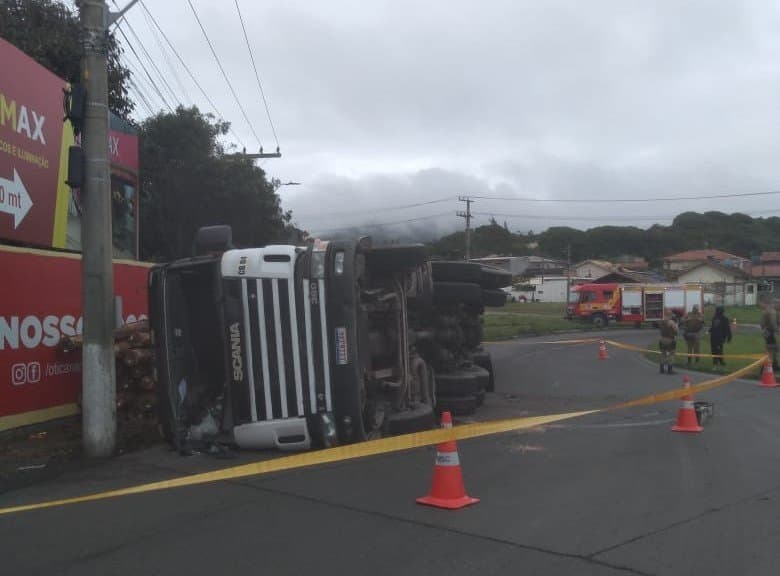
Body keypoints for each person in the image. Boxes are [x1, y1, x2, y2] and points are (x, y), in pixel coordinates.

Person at [760, 298, 778, 370]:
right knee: (771, 348)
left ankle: (774, 364)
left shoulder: (765, 311)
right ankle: (767, 366)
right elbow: (773, 323)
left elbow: (762, 323)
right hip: (770, 332)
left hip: (766, 332)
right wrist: (777, 330)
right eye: (777, 303)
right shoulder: (772, 311)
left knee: (771, 348)